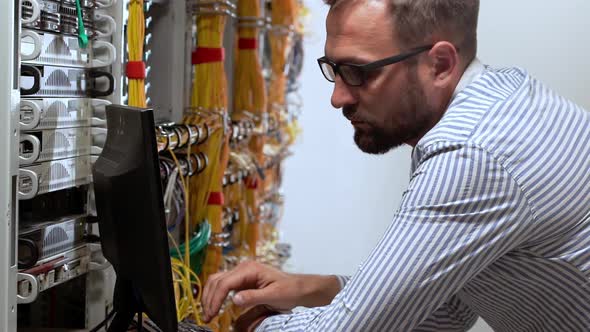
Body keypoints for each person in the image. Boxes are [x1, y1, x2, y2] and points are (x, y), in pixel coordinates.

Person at [201, 0, 590, 331]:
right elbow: (447, 309)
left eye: (359, 73)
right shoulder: (501, 97)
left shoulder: (472, 154)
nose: (338, 98)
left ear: (439, 64)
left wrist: (246, 323)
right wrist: (309, 289)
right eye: (334, 69)